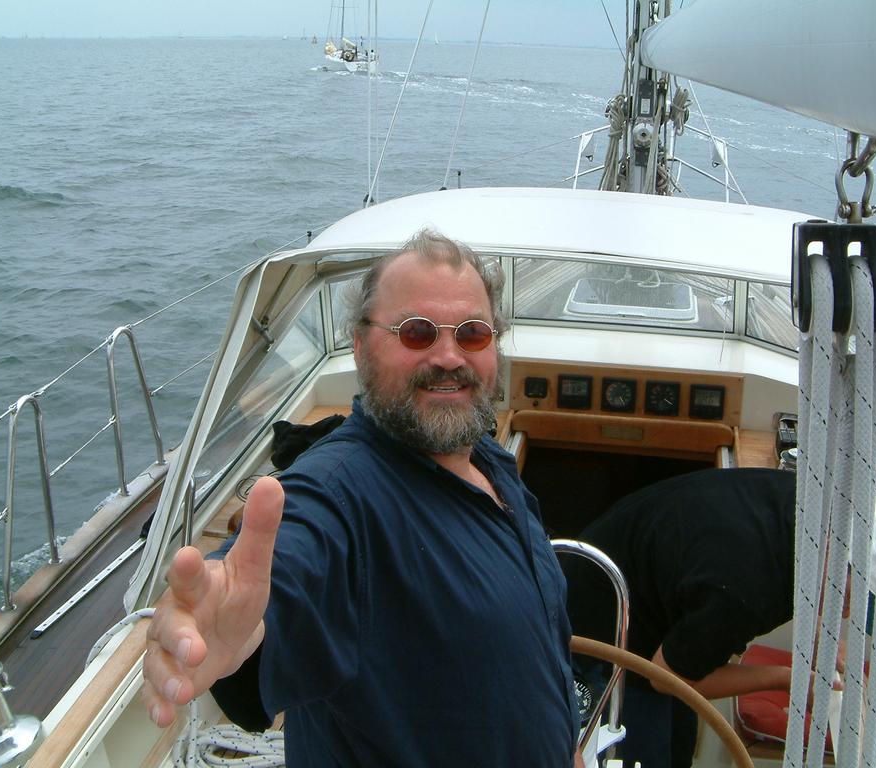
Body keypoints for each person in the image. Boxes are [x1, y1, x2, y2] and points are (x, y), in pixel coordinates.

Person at [142, 230, 580, 767]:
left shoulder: (487, 457)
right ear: (358, 344)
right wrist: (232, 633)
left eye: (472, 334)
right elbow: (292, 566)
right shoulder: (339, 494)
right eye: (417, 333)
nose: (449, 355)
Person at [564, 467, 876, 768]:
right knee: (647, 757)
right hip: (599, 632)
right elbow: (666, 677)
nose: (846, 614)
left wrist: (823, 639)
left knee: (680, 747)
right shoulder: (744, 590)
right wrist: (788, 679)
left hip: (652, 586)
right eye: (849, 602)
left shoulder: (812, 506)